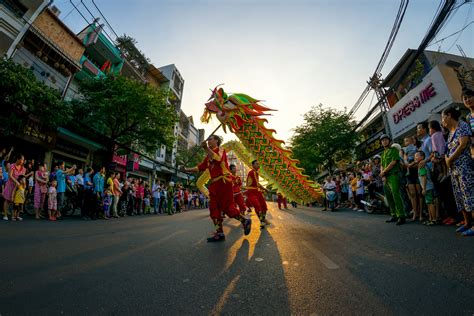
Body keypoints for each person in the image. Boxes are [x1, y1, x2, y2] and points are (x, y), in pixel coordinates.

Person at [184, 135, 251, 242]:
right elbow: (199, 167)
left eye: (210, 139)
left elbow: (218, 158)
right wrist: (186, 169)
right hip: (214, 185)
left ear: (216, 141)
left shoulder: (221, 149)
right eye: (208, 139)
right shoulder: (207, 157)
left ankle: (244, 221)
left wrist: (206, 148)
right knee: (213, 210)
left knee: (228, 209)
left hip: (224, 183)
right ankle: (219, 233)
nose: (208, 140)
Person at [442, 107, 474, 236]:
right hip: (454, 170)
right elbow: (446, 150)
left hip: (464, 167)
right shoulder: (450, 133)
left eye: (443, 117)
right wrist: (447, 159)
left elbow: (463, 143)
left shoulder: (462, 125)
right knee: (459, 196)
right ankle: (467, 223)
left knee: (469, 195)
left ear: (449, 116)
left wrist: (450, 159)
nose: (442, 121)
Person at [380, 134, 406, 225]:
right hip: (385, 177)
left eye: (386, 139)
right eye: (383, 140)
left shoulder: (394, 150)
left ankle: (401, 216)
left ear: (389, 140)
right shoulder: (383, 154)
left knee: (396, 195)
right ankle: (393, 214)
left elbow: (394, 162)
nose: (384, 141)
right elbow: (382, 165)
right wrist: (382, 174)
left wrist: (384, 172)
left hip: (393, 175)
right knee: (389, 197)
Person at [3, 154, 30, 221]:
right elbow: (10, 176)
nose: (23, 161)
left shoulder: (23, 168)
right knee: (8, 200)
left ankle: (15, 216)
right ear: (18, 159)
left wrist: (24, 185)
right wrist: (16, 182)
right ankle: (5, 215)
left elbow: (23, 177)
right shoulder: (12, 166)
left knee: (16, 202)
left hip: (19, 187)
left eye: (23, 160)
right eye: (22, 159)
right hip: (11, 185)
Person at [246, 159, 269, 229]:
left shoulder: (256, 173)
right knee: (257, 206)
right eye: (256, 164)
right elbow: (257, 184)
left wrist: (264, 189)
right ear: (252, 165)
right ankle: (262, 221)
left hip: (257, 191)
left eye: (258, 164)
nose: (258, 165)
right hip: (251, 192)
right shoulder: (252, 172)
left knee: (264, 206)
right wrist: (265, 189)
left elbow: (257, 184)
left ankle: (263, 220)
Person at [415, 151, 437, 225]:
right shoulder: (421, 164)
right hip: (427, 186)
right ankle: (430, 219)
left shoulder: (421, 165)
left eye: (417, 155)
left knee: (430, 203)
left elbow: (424, 177)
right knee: (428, 203)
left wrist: (424, 188)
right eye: (415, 156)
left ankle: (434, 219)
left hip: (427, 187)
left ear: (422, 157)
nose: (415, 157)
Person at [461, 88, 474, 158]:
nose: (468, 100)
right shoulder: (468, 117)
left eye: (469, 97)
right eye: (465, 99)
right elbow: (472, 136)